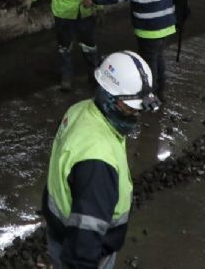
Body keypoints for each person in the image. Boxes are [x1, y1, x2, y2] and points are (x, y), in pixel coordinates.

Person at [43, 51, 160, 269]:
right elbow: (84, 243)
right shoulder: (97, 160)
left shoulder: (81, 110)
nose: (137, 115)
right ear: (110, 98)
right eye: (131, 108)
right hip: (87, 253)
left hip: (60, 232)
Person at [87, 0, 176, 100]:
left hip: (150, 29)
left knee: (149, 63)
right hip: (167, 24)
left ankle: (150, 95)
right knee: (158, 58)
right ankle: (161, 91)